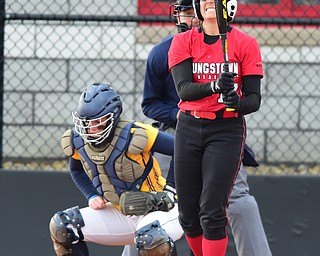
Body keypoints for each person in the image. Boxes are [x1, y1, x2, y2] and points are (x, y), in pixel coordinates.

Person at [142, 1, 272, 256]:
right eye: (187, 12)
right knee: (177, 210)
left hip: (225, 129)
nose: (190, 18)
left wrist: (238, 103)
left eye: (193, 12)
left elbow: (253, 99)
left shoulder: (243, 43)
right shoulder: (167, 49)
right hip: (181, 128)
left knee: (224, 205)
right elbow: (159, 101)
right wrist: (208, 91)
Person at [49, 82, 184, 256]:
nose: (91, 129)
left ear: (112, 117)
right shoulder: (78, 140)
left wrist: (171, 188)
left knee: (152, 238)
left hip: (159, 209)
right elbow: (76, 170)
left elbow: (180, 149)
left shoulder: (136, 133)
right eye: (87, 123)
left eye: (98, 123)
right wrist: (92, 195)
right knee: (63, 226)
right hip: (121, 213)